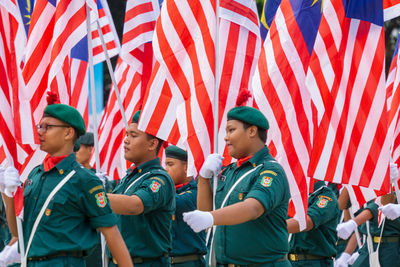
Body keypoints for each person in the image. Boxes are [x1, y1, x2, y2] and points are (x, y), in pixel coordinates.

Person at [1, 103, 132, 267]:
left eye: (47, 127)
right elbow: (17, 231)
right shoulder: (35, 175)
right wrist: (8, 193)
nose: (40, 132)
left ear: (68, 133)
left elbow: (111, 233)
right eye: (39, 126)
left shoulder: (84, 179)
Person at [184, 106, 291, 266]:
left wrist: (211, 217)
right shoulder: (230, 171)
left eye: (231, 130)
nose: (226, 138)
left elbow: (253, 208)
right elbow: (206, 211)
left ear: (252, 131)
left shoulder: (270, 170)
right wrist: (204, 178)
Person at [106, 110, 175, 267]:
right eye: (126, 134)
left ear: (152, 144)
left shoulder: (159, 179)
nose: (126, 140)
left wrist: (93, 196)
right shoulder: (130, 176)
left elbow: (134, 205)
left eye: (133, 135)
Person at [164, 145, 207, 267]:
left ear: (187, 167)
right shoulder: (173, 192)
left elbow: (173, 202)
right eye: (166, 164)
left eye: (170, 164)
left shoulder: (195, 193)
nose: (165, 169)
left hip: (187, 262)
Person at [287, 179, 340, 266]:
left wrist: (273, 227)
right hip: (290, 261)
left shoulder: (325, 196)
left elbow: (308, 222)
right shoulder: (297, 196)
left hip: (314, 261)